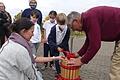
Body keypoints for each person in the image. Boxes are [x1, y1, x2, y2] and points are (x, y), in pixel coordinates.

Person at [67, 6, 120, 80]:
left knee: (116, 66)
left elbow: (95, 45)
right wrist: (78, 54)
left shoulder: (90, 18)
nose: (74, 30)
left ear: (76, 21)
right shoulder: (87, 20)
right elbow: (89, 41)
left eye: (72, 27)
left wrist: (82, 61)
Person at [48, 13, 70, 78]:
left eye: (64, 24)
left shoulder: (67, 29)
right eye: (61, 24)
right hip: (55, 45)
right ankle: (59, 73)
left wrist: (61, 46)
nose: (62, 26)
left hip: (64, 45)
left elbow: (66, 40)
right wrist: (57, 47)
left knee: (68, 56)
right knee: (57, 59)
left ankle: (69, 68)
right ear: (57, 22)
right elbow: (50, 40)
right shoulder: (53, 29)